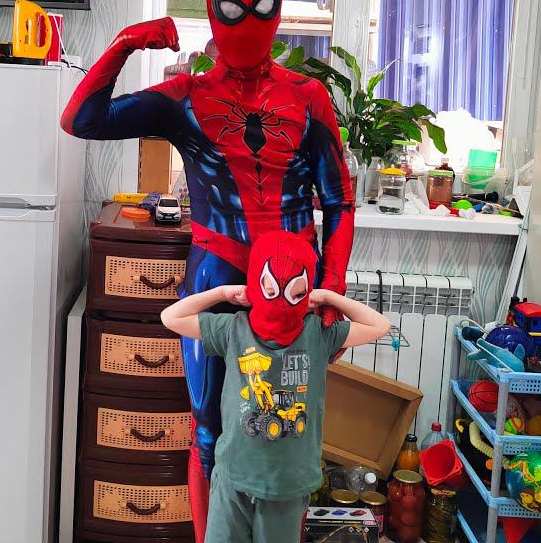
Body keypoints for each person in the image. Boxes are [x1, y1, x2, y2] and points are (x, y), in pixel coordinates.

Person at [60, 0, 355, 539]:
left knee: (290, 430)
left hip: (291, 283)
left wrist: (332, 287)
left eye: (261, 9)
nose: (247, 24)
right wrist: (125, 43)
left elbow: (340, 201)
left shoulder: (307, 97)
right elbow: (81, 119)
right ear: (214, 15)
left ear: (277, 12)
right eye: (232, 11)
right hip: (219, 273)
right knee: (208, 428)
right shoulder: (186, 96)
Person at [160, 231, 390, 543]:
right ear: (256, 284)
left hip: (288, 485)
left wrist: (328, 297)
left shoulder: (318, 334)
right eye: (270, 290)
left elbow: (379, 325)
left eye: (297, 293)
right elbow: (170, 316)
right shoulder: (233, 329)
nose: (281, 302)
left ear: (306, 292)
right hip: (233, 477)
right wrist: (222, 293)